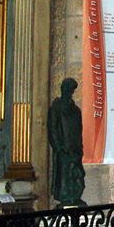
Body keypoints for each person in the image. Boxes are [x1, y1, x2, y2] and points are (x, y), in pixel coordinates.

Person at [47, 78, 86, 207]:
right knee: (64, 178)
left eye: (71, 90)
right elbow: (52, 129)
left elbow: (78, 130)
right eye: (68, 89)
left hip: (75, 149)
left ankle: (75, 197)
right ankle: (66, 199)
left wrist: (79, 148)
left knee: (78, 177)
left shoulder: (76, 110)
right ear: (63, 89)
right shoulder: (56, 108)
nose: (69, 92)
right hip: (63, 149)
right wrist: (59, 147)